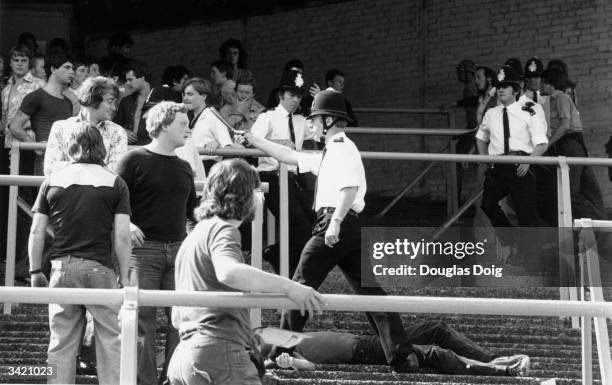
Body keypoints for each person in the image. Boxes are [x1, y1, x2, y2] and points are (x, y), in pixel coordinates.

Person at [239, 90, 415, 373]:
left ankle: (280, 350)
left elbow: (349, 187)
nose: (311, 125)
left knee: (298, 285)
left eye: (316, 119)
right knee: (370, 293)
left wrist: (335, 223)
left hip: (335, 223)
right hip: (348, 225)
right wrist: (254, 139)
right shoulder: (332, 150)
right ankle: (402, 356)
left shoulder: (342, 146)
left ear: (330, 120)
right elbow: (290, 156)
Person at [167, 158, 325, 385]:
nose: (260, 199)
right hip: (219, 351)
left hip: (186, 355)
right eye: (256, 192)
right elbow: (229, 272)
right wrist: (290, 287)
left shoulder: (196, 235)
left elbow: (176, 315)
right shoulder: (223, 230)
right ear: (246, 196)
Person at [28, 124, 131, 384]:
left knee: (60, 342)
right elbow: (121, 235)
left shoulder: (51, 180)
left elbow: (37, 231)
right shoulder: (116, 183)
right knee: (111, 341)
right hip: (99, 269)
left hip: (61, 268)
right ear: (101, 147)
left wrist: (34, 270)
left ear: (70, 147)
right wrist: (126, 276)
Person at [116, 101, 199, 385]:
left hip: (178, 250)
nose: (188, 128)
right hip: (142, 251)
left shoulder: (185, 166)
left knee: (183, 320)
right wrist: (127, 223)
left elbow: (192, 213)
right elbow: (112, 201)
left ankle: (173, 379)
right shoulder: (133, 159)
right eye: (182, 124)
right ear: (163, 125)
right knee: (141, 322)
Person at [267, 320, 530, 377]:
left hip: (366, 338)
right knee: (433, 354)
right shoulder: (272, 354)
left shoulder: (272, 334)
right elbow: (310, 366)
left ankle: (495, 359)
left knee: (436, 329)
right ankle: (501, 371)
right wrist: (292, 365)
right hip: (363, 351)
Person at [476, 65, 548, 268]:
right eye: (499, 86)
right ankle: (512, 240)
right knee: (487, 204)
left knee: (527, 215)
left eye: (506, 86)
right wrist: (485, 158)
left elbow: (541, 142)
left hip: (520, 164)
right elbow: (481, 138)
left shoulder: (531, 108)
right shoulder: (492, 113)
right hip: (498, 166)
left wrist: (529, 160)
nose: (501, 90)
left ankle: (531, 259)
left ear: (516, 90)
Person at [250, 69, 315, 276]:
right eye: (291, 95)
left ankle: (278, 253)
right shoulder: (267, 117)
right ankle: (283, 262)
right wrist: (279, 143)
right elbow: (251, 142)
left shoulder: (300, 120)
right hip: (272, 177)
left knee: (312, 226)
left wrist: (319, 99)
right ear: (281, 95)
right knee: (299, 226)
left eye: (298, 96)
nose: (295, 100)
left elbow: (321, 131)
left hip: (294, 179)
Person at [541, 68, 606, 220]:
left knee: (571, 193)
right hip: (565, 145)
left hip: (571, 143)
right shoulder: (549, 100)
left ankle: (600, 221)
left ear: (550, 82)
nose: (542, 85)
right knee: (576, 190)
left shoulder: (562, 97)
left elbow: (565, 125)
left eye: (544, 82)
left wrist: (547, 144)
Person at [44, 76, 127, 176]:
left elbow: (116, 173)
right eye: (110, 101)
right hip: (68, 190)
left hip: (101, 191)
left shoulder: (117, 131)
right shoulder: (61, 128)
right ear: (93, 99)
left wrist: (70, 169)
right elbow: (50, 170)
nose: (114, 108)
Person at [9, 50, 74, 175]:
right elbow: (14, 126)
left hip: (65, 163)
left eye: (72, 68)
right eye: (67, 67)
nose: (72, 71)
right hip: (45, 163)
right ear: (53, 69)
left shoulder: (68, 102)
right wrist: (35, 146)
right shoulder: (36, 96)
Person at [182, 77, 241, 173]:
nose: (185, 98)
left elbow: (229, 149)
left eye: (190, 94)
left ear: (203, 96)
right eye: (183, 94)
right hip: (192, 168)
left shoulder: (212, 117)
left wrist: (217, 145)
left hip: (209, 169)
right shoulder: (189, 117)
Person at [114, 60, 152, 145]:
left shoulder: (159, 100)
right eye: (127, 80)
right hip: (129, 150)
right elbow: (115, 126)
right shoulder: (125, 101)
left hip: (151, 152)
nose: (127, 83)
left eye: (130, 79)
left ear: (143, 78)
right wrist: (123, 132)